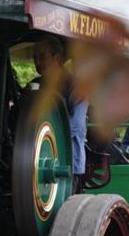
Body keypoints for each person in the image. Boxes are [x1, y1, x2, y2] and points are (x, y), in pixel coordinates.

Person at [31, 34, 88, 192]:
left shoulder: (76, 85)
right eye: (34, 58)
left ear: (57, 58)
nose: (37, 63)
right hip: (38, 163)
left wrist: (42, 139)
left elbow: (75, 124)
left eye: (42, 57)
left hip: (67, 162)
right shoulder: (35, 85)